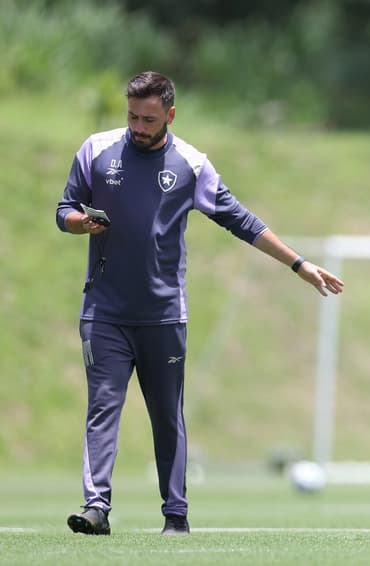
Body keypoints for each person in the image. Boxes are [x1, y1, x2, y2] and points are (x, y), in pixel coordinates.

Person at [56, 71, 344, 536]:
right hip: (104, 312)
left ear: (170, 115)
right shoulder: (95, 150)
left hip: (164, 314)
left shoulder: (191, 164)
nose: (138, 126)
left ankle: (176, 515)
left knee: (167, 415)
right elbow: (64, 208)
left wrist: (299, 264)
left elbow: (241, 220)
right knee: (103, 407)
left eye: (149, 119)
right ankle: (96, 508)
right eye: (132, 115)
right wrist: (77, 223)